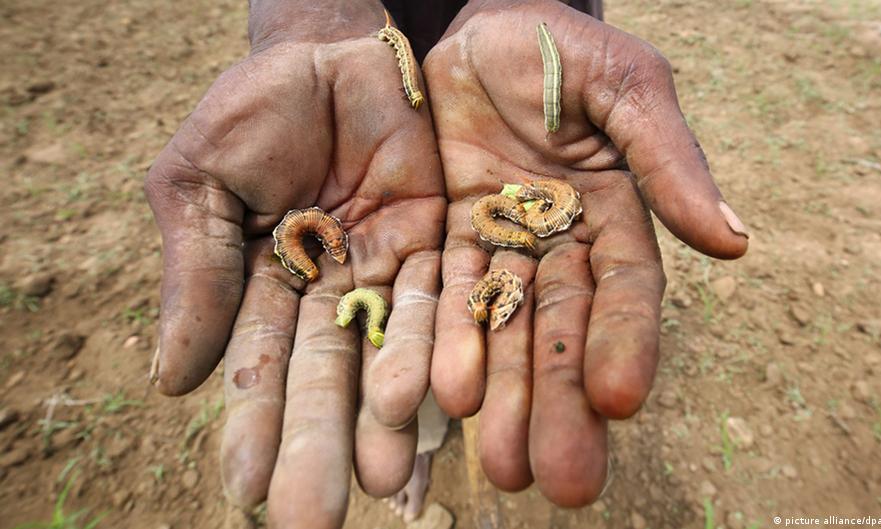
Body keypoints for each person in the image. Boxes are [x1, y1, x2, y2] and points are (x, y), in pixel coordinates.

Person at [144, 1, 749, 527]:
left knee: (442, 299)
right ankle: (429, 432)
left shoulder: (517, 182)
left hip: (509, 68)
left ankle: (443, 414)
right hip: (375, 51)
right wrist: (311, 15)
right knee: (417, 316)